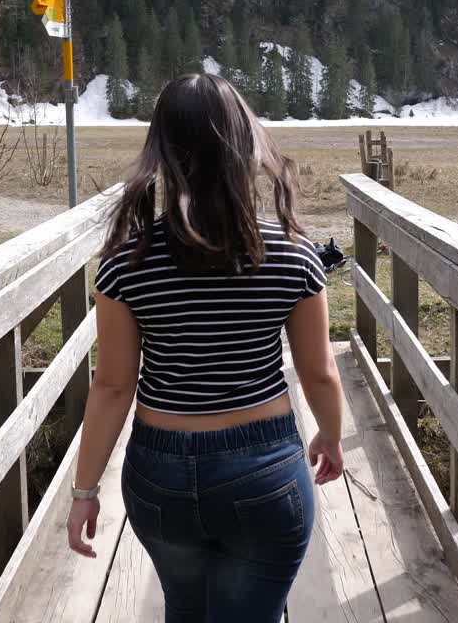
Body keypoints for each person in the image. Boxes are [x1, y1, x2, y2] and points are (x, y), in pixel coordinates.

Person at [65, 73, 345, 622]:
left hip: (158, 476)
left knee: (185, 611)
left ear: (162, 154)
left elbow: (114, 385)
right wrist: (331, 435)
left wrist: (84, 490)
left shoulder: (125, 266)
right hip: (263, 471)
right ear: (245, 148)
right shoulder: (293, 256)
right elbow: (320, 374)